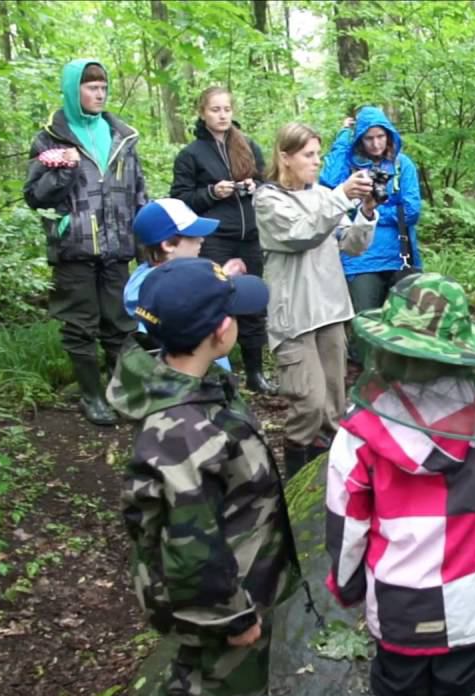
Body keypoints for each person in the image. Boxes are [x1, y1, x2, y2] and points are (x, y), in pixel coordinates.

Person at [325, 272, 475, 696]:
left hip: (397, 602)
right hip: (469, 599)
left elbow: (347, 526)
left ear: (387, 349)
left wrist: (348, 588)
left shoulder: (358, 434)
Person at [106, 257, 310, 696]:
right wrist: (231, 618)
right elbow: (191, 545)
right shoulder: (185, 434)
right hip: (222, 597)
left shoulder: (192, 385)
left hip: (222, 585)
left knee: (192, 676)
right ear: (221, 331)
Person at [23, 59, 146, 427]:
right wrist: (66, 169)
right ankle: (91, 397)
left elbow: (139, 192)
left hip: (118, 245)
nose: (99, 93)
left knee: (122, 324)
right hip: (73, 248)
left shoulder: (122, 136)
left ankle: (127, 393)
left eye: (103, 86)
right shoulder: (50, 138)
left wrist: (146, 244)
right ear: (73, 90)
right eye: (91, 87)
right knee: (79, 326)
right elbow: (35, 196)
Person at [254, 123, 378, 477]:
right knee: (308, 404)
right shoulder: (268, 199)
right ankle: (295, 485)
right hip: (293, 315)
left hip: (331, 309)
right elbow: (299, 234)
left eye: (318, 154)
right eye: (309, 155)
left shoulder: (323, 194)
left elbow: (351, 245)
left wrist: (366, 213)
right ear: (285, 157)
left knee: (334, 408)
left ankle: (329, 485)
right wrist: (340, 196)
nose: (316, 162)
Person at [169, 86, 276, 394]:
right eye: (215, 110)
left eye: (226, 109)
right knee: (217, 302)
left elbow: (265, 181)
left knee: (253, 303)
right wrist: (212, 193)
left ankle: (256, 373)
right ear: (203, 113)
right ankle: (217, 373)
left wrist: (254, 186)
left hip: (250, 236)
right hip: (215, 238)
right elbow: (182, 199)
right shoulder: (190, 154)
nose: (222, 115)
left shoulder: (247, 145)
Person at [319, 106, 423, 319]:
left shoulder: (402, 165)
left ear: (389, 135)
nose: (376, 144)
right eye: (368, 138)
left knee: (404, 327)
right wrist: (343, 136)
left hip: (400, 257)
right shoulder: (349, 168)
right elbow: (328, 183)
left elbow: (412, 212)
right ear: (359, 139)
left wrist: (367, 211)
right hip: (360, 261)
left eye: (381, 136)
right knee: (365, 324)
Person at [127, 197, 242, 374]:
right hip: (194, 383)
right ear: (168, 245)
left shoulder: (149, 283)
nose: (202, 239)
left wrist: (220, 277)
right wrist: (219, 281)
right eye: (192, 235)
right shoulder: (158, 293)